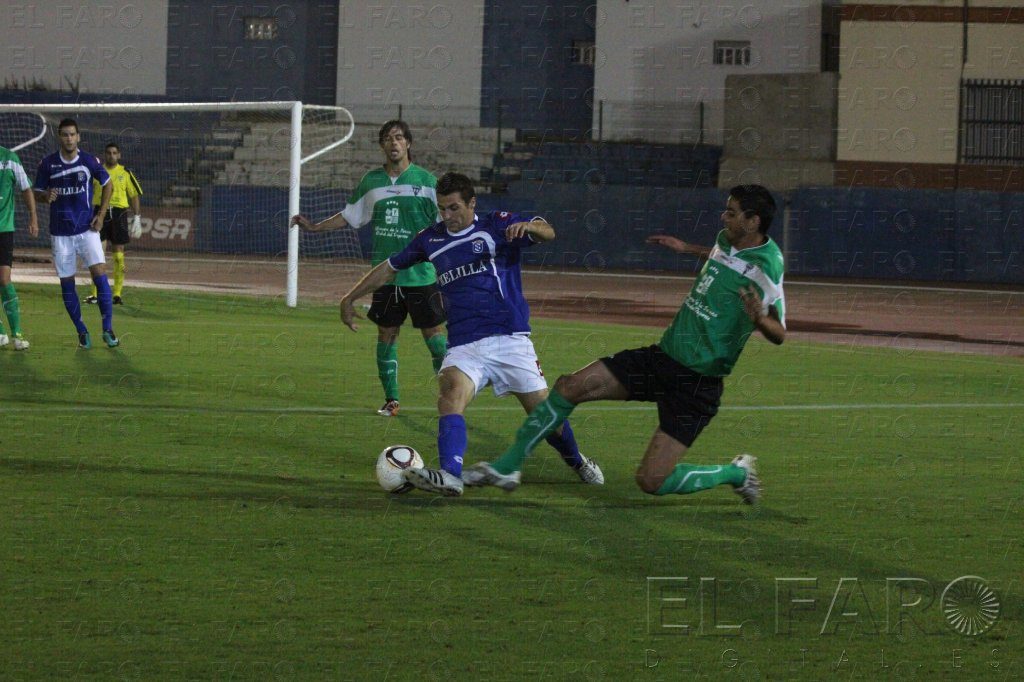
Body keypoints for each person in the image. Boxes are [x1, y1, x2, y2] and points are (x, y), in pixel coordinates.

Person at [464, 185, 786, 504]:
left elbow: (779, 333)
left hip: (697, 384)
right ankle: (508, 466)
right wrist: (685, 248)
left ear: (753, 221)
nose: (723, 217)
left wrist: (760, 319)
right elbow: (724, 258)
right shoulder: (726, 240)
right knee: (569, 386)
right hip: (662, 358)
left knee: (652, 480)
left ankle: (736, 474)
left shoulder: (769, 264)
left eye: (731, 213)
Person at [339, 172, 604, 496]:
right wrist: (350, 296)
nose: (447, 216)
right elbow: (389, 267)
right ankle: (450, 475)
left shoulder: (496, 225)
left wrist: (530, 227)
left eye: (454, 208)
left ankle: (577, 461)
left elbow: (548, 231)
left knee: (547, 418)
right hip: (464, 343)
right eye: (442, 208)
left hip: (509, 338)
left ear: (471, 203)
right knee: (450, 393)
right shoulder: (430, 239)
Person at [292, 120, 446, 417]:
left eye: (398, 137)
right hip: (384, 276)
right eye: (388, 138)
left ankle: (451, 395)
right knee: (386, 334)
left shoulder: (427, 181)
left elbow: (445, 222)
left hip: (421, 275)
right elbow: (350, 215)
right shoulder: (371, 181)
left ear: (408, 143)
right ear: (381, 145)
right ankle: (391, 400)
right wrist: (314, 227)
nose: (393, 143)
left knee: (435, 338)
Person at [33, 118, 119, 349]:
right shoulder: (48, 164)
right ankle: (81, 331)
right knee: (67, 284)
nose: (69, 139)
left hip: (87, 230)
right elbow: (36, 192)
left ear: (78, 137)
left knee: (100, 276)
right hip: (60, 234)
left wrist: (101, 214)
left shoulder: (89, 161)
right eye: (65, 134)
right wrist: (45, 196)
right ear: (59, 137)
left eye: (72, 134)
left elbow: (108, 184)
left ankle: (107, 329)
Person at [84, 142, 142, 306]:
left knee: (118, 256)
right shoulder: (96, 172)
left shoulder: (125, 173)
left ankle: (117, 294)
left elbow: (134, 195)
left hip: (119, 214)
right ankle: (95, 294)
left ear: (119, 155)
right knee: (97, 255)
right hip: (98, 213)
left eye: (114, 153)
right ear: (105, 154)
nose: (111, 155)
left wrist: (137, 217)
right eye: (109, 153)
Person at [0, 144, 39, 350]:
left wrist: (33, 216)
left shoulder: (9, 158)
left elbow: (25, 187)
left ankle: (16, 333)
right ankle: (1, 333)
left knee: (4, 279)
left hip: (4, 228)